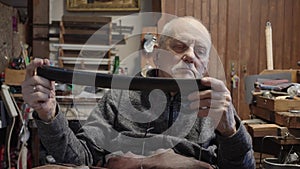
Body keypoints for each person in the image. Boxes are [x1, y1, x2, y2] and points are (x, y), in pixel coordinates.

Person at [22, 16, 255, 169]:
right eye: (179, 46)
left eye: (200, 51)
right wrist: (49, 114)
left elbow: (244, 167)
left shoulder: (216, 104)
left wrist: (231, 133)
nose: (191, 55)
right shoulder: (119, 97)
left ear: (205, 64)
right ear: (157, 55)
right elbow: (81, 158)